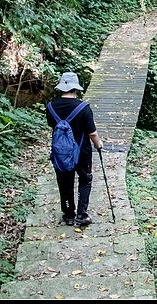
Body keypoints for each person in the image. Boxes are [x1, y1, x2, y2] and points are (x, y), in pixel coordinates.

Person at [45, 72, 103, 227]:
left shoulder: (50, 106)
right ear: (75, 88)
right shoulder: (84, 108)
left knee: (64, 182)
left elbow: (53, 126)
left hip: (61, 153)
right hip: (82, 153)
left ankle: (69, 214)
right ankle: (82, 214)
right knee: (85, 180)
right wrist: (99, 145)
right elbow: (92, 133)